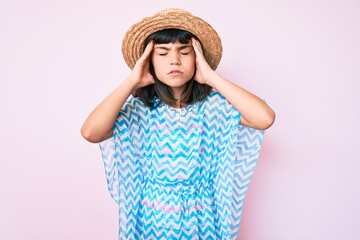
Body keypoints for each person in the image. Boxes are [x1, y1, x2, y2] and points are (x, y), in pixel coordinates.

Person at [81, 8, 275, 240]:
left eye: (185, 52)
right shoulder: (139, 109)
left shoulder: (215, 107)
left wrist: (211, 77)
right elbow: (91, 132)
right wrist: (133, 80)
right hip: (152, 219)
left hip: (203, 219)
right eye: (162, 53)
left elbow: (264, 118)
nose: (174, 60)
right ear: (149, 62)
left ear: (197, 59)